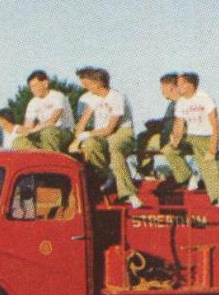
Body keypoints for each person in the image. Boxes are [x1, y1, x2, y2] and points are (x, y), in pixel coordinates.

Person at [72, 67, 140, 207]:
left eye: (89, 83)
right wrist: (77, 139)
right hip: (101, 133)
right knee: (90, 145)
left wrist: (88, 134)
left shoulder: (116, 97)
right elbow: (83, 121)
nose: (86, 87)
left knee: (114, 147)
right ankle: (108, 174)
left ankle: (128, 193)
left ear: (99, 83)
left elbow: (110, 129)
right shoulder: (92, 98)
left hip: (121, 132)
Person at [162, 72, 219, 208]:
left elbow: (215, 125)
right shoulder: (180, 102)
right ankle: (188, 177)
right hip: (190, 137)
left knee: (207, 163)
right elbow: (179, 124)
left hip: (206, 137)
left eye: (180, 84)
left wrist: (213, 148)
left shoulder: (205, 99)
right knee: (168, 150)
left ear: (190, 85)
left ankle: (218, 198)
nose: (177, 87)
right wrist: (175, 140)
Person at [13, 70, 75, 152]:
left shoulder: (58, 96)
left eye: (35, 86)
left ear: (45, 83)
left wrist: (32, 130)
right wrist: (23, 130)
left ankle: (52, 161)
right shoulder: (33, 102)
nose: (33, 90)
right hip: (42, 133)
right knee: (18, 142)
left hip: (63, 133)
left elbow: (53, 121)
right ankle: (41, 159)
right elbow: (28, 126)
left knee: (48, 132)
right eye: (31, 87)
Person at [136, 73, 180, 176]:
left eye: (162, 87)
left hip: (175, 139)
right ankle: (146, 172)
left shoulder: (181, 103)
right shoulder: (172, 104)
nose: (161, 90)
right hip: (167, 136)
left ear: (171, 88)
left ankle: (146, 173)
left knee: (145, 141)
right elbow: (169, 121)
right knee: (143, 137)